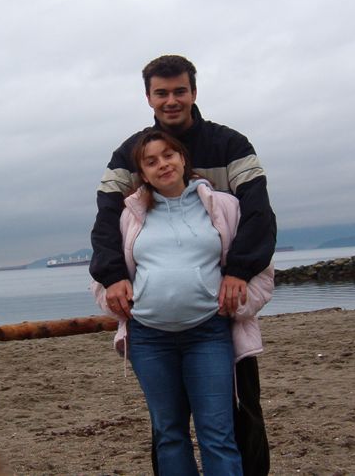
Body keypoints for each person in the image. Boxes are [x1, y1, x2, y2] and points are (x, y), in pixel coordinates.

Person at [90, 55, 276, 475]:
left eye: (179, 91)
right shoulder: (129, 154)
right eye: (162, 93)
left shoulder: (230, 145)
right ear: (148, 98)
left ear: (193, 92)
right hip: (152, 329)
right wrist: (113, 276)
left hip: (217, 316)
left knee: (238, 414)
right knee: (167, 429)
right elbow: (107, 219)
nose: (171, 100)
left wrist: (239, 271)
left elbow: (258, 215)